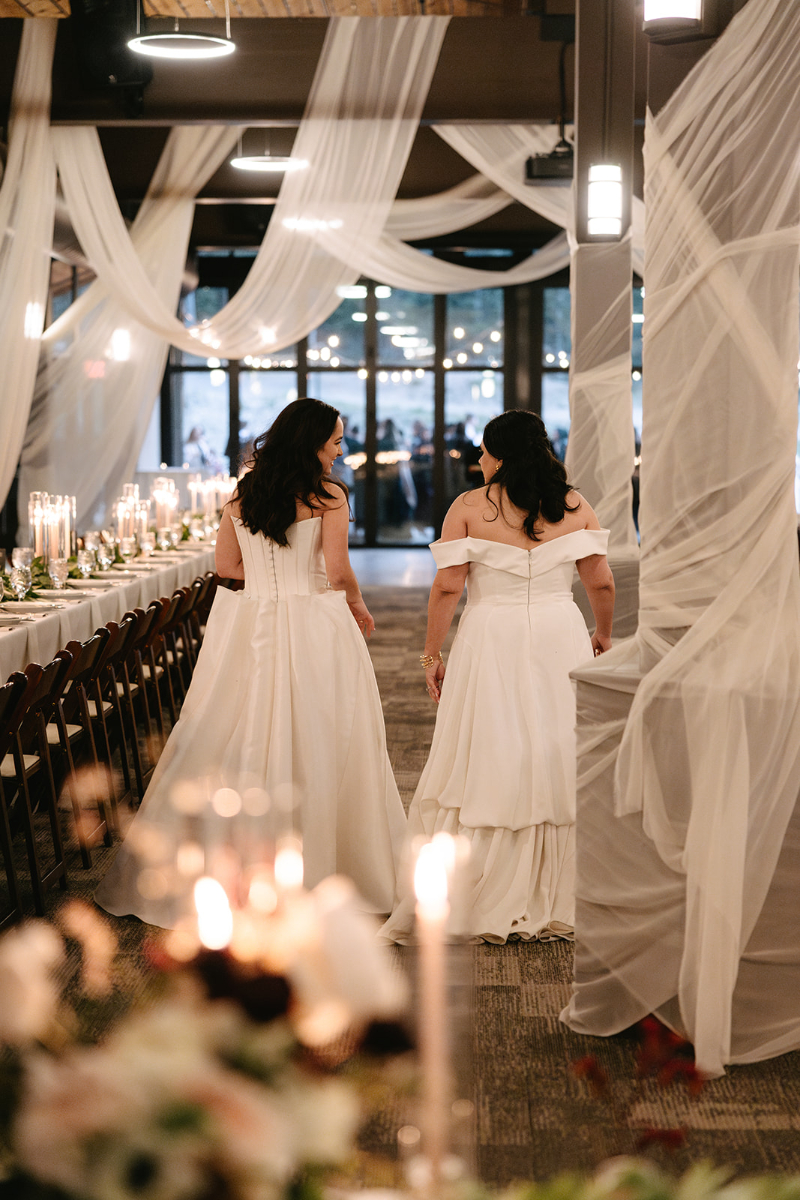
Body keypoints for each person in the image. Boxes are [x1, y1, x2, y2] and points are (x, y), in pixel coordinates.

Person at [96, 398, 407, 926]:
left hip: (252, 623)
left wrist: (267, 576)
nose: (340, 450)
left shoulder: (244, 494)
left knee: (232, 725)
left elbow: (226, 565)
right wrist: (357, 605)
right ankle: (323, 867)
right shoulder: (328, 495)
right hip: (314, 623)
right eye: (335, 441)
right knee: (324, 729)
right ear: (312, 442)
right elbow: (337, 571)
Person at [379, 409, 614, 946]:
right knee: (557, 742)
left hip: (490, 635)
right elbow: (600, 582)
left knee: (490, 744)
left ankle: (482, 880)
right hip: (559, 631)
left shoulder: (468, 508)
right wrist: (602, 633)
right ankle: (559, 885)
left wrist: (430, 655)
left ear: (501, 455)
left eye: (484, 452)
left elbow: (447, 587)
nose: (480, 461)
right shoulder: (574, 506)